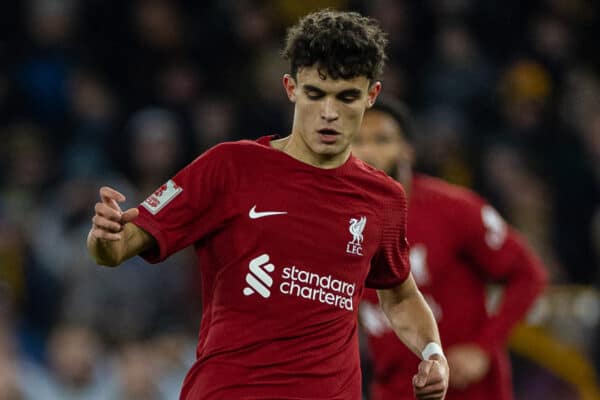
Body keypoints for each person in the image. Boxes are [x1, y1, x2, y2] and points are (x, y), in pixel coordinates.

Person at [86, 10, 449, 400]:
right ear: (291, 88)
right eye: (315, 94)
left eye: (346, 97)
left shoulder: (384, 198)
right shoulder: (230, 167)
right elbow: (117, 247)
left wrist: (433, 353)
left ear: (371, 96)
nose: (329, 113)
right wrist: (104, 235)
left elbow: (400, 293)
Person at [353, 96, 547, 400]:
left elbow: (527, 275)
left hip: (469, 391)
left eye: (382, 139)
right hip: (395, 390)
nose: (368, 150)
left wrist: (483, 348)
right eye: (358, 140)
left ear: (407, 150)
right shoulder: (338, 223)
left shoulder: (454, 209)